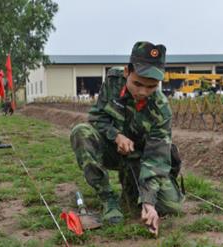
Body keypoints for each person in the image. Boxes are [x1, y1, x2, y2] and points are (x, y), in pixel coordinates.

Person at [70, 41, 184, 236]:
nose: (142, 92)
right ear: (126, 72)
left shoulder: (161, 109)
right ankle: (108, 199)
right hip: (111, 152)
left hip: (141, 159)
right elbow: (97, 117)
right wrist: (116, 136)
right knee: (81, 131)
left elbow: (156, 157)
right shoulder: (113, 81)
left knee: (171, 206)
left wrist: (149, 203)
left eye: (151, 86)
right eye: (137, 83)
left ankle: (132, 188)